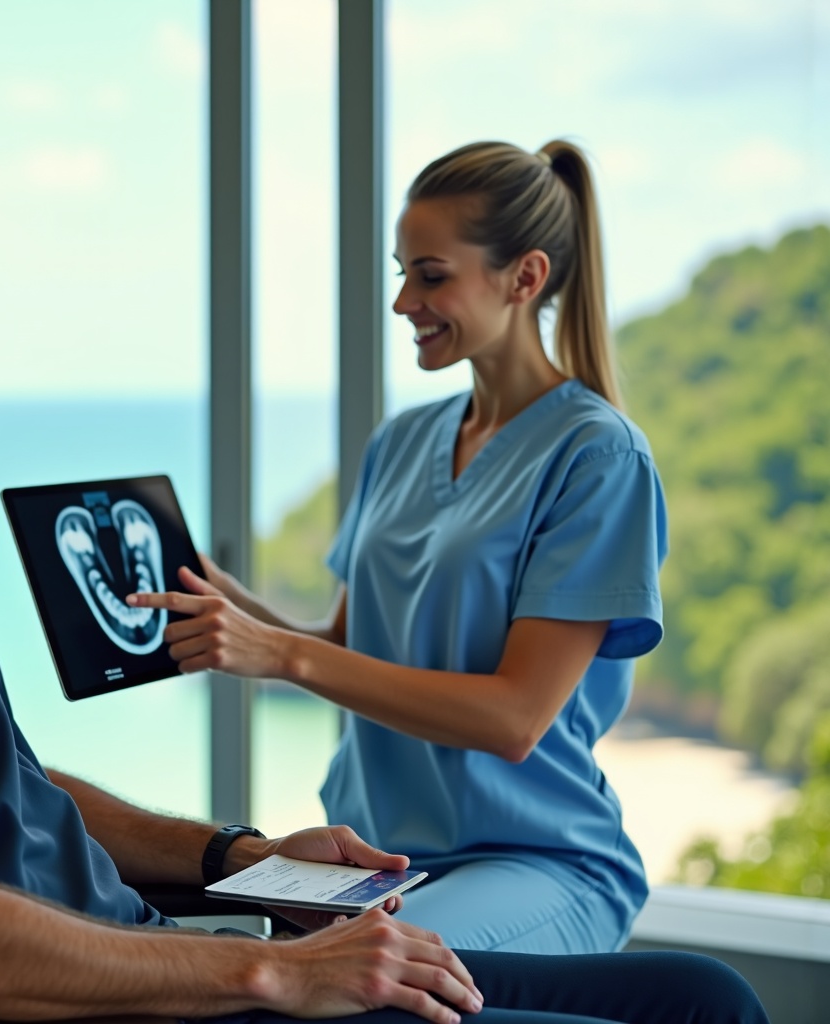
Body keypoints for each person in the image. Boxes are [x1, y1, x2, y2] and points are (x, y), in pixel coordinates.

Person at [0, 129, 764, 1023]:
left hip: (166, 953)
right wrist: (264, 975)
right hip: (137, 999)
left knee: (703, 998)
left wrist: (241, 857)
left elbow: (10, 787)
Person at [130, 140, 664, 956]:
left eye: (432, 274)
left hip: (532, 859)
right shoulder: (404, 440)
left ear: (525, 277)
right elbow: (349, 650)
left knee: (361, 973)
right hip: (376, 859)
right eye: (400, 273)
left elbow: (516, 717)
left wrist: (278, 655)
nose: (403, 301)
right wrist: (234, 607)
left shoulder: (598, 457)